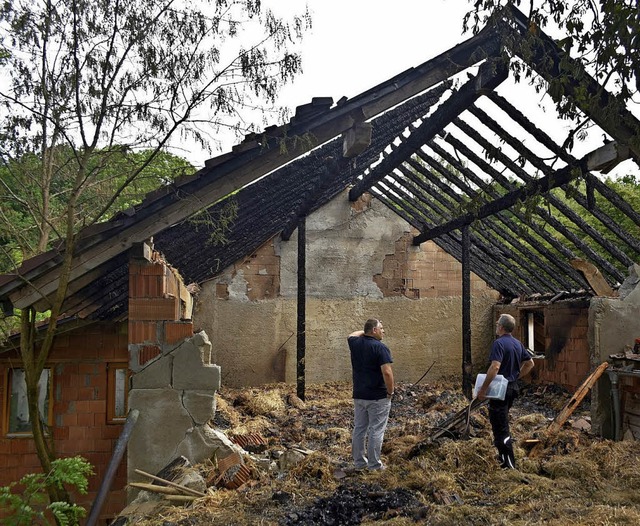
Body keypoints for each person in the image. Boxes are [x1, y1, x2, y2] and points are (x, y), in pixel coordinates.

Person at [477, 313, 534, 469]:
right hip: (512, 388)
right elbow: (530, 363)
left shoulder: (499, 343)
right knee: (501, 422)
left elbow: (495, 367)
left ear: (501, 327)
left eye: (497, 325)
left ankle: (508, 464)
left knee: (501, 427)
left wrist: (483, 389)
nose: (496, 327)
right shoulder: (517, 344)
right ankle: (503, 458)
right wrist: (515, 376)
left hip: (501, 390)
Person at [348, 318, 394, 471]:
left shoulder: (355, 343)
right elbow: (387, 373)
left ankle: (359, 463)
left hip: (359, 395)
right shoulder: (380, 347)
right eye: (381, 328)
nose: (384, 331)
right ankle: (374, 465)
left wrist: (366, 332)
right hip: (377, 397)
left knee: (359, 428)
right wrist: (390, 391)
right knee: (376, 430)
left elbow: (352, 334)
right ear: (374, 330)